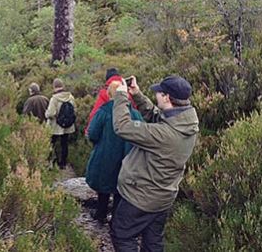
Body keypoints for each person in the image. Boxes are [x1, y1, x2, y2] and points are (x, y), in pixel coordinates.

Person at [110, 75, 199, 252]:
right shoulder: (186, 122)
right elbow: (157, 116)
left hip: (141, 197)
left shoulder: (165, 135)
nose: (156, 94)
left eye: (159, 92)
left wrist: (121, 96)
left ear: (166, 97)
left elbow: (123, 126)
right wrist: (137, 95)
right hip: (163, 196)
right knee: (153, 242)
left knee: (122, 235)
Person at [85, 81, 143, 224]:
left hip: (105, 157)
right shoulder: (135, 114)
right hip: (128, 158)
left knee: (104, 186)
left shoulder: (103, 112)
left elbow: (92, 133)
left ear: (109, 94)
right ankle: (116, 219)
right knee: (120, 189)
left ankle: (101, 213)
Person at [85, 68, 136, 136]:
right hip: (128, 140)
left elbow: (94, 117)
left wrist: (88, 132)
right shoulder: (128, 92)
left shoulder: (103, 94)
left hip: (107, 138)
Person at [45, 78, 76, 169]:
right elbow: (74, 110)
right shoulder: (70, 97)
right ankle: (63, 164)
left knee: (51, 143)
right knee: (64, 144)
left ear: (54, 87)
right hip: (68, 125)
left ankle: (51, 162)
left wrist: (46, 114)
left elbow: (51, 113)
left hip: (55, 125)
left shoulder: (54, 99)